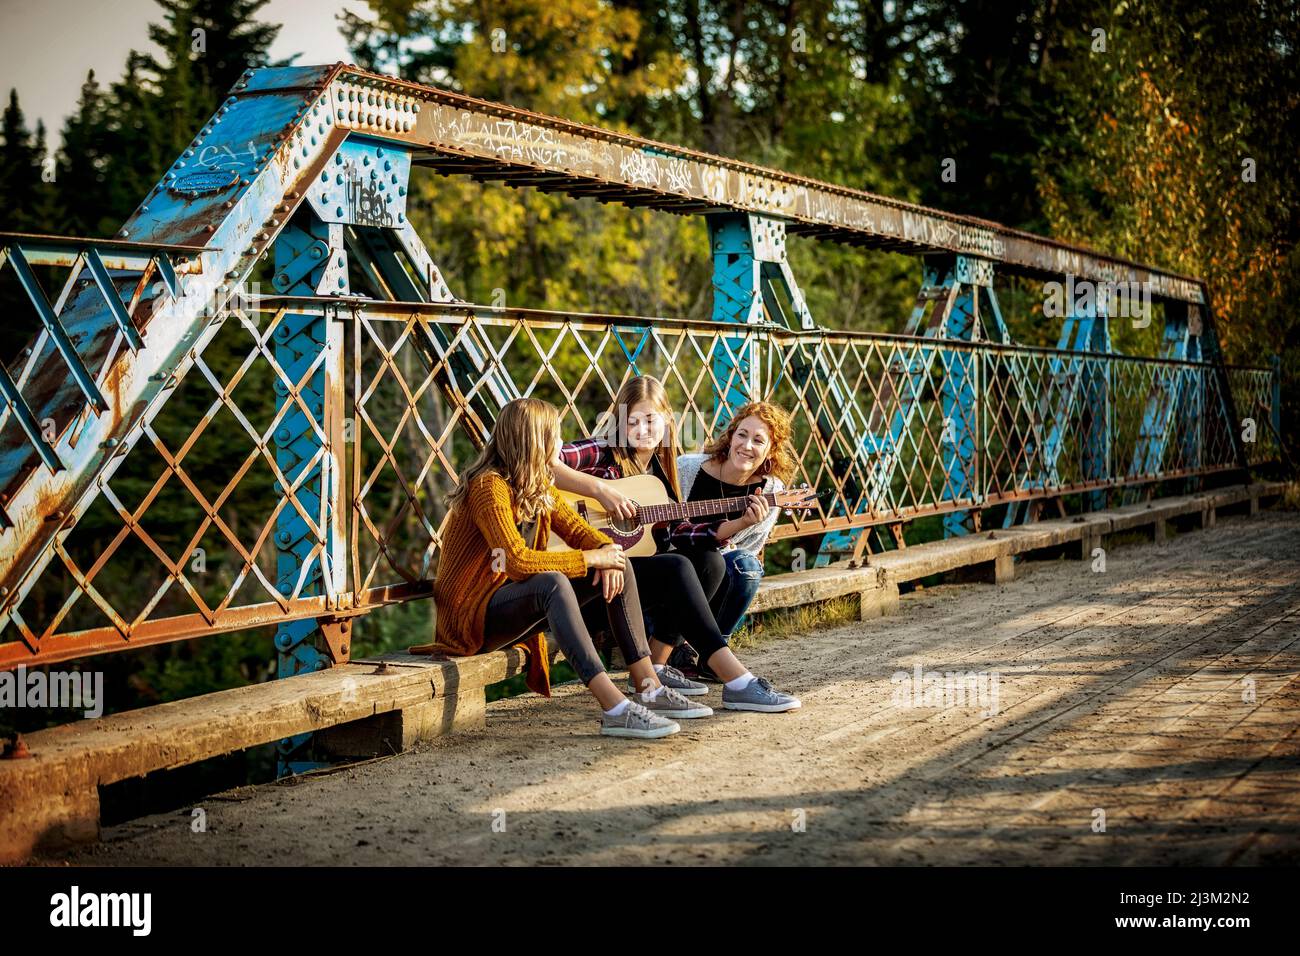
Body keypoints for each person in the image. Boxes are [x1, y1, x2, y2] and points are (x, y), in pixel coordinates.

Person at [410, 396, 712, 739]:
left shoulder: (537, 485)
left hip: (508, 605)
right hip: (471, 616)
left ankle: (648, 687)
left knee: (618, 560)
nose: (560, 445)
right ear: (534, 441)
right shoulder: (489, 487)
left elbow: (579, 530)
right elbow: (517, 560)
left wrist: (604, 550)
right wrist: (589, 559)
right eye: (555, 436)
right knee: (552, 583)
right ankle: (615, 708)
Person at [552, 377, 801, 712]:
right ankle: (736, 680)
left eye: (651, 420)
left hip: (625, 587)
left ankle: (657, 665)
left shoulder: (662, 470)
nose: (642, 430)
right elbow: (544, 462)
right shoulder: (601, 451)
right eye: (633, 421)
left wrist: (741, 521)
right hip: (587, 583)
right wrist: (600, 490)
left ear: (667, 420)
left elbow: (682, 533)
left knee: (708, 560)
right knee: (677, 567)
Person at [670, 400, 798, 681]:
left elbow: (746, 551)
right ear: (730, 437)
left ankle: (709, 657)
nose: (747, 446)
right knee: (702, 563)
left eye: (758, 440)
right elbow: (663, 528)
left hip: (716, 574)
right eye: (742, 434)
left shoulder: (771, 491)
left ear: (770, 451)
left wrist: (739, 528)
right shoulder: (687, 468)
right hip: (674, 570)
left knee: (746, 566)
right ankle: (676, 649)